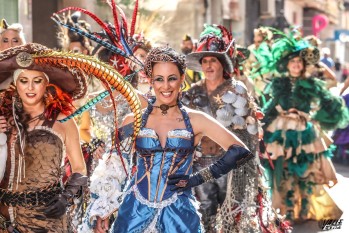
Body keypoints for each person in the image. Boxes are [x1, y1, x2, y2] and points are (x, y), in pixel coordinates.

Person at [82, 46, 257, 233]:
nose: (166, 86)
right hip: (133, 214)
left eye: (172, 78)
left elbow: (240, 151)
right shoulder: (133, 120)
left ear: (182, 79)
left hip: (180, 216)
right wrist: (102, 209)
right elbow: (114, 164)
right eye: (159, 79)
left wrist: (196, 179)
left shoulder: (196, 120)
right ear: (150, 81)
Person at [182, 24, 265, 232]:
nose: (209, 65)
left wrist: (247, 166)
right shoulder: (191, 94)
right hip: (202, 166)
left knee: (233, 214)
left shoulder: (237, 90)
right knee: (205, 211)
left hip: (231, 166)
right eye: (205, 61)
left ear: (222, 64)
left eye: (213, 60)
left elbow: (251, 131)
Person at [259, 31, 348, 222]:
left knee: (304, 170)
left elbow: (328, 100)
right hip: (280, 130)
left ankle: (303, 209)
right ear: (287, 65)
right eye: (293, 62)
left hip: (303, 132)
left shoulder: (310, 83)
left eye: (299, 62)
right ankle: (285, 209)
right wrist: (261, 122)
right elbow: (272, 105)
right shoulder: (279, 83)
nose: (296, 65)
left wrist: (316, 116)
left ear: (303, 65)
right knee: (283, 169)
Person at [0, 43, 88, 232]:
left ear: (46, 84)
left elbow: (80, 168)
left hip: (47, 220)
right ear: (16, 85)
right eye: (24, 81)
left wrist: (66, 199)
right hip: (5, 220)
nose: (30, 88)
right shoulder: (4, 119)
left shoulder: (63, 121)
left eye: (37, 80)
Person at [0, 19, 26, 90]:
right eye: (5, 41)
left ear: (21, 43)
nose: (10, 45)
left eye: (15, 41)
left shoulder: (31, 63)